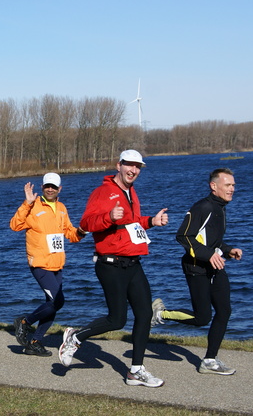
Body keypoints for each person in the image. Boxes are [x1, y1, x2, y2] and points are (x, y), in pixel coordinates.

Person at [58, 149, 168, 388]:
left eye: (138, 167)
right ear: (118, 165)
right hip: (110, 264)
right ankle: (75, 337)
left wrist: (151, 221)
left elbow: (131, 224)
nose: (134, 170)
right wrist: (108, 215)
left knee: (145, 314)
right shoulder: (103, 192)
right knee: (117, 320)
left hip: (133, 262)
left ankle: (136, 370)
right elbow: (86, 223)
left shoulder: (131, 193)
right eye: (129, 165)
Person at [150, 168, 242, 375]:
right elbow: (183, 236)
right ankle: (161, 313)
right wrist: (208, 255)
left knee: (224, 311)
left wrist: (228, 250)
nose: (232, 189)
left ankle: (209, 360)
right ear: (214, 186)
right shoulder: (203, 207)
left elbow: (212, 241)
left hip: (215, 267)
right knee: (202, 318)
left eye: (233, 185)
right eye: (228, 185)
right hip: (196, 267)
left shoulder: (221, 208)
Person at [10, 173, 87, 356]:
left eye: (53, 186)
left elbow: (70, 233)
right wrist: (27, 203)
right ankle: (24, 322)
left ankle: (34, 342)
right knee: (57, 300)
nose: (50, 189)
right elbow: (14, 225)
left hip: (57, 264)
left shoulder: (61, 208)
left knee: (52, 305)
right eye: (47, 186)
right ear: (43, 187)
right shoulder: (33, 206)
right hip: (39, 262)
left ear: (60, 189)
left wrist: (82, 231)